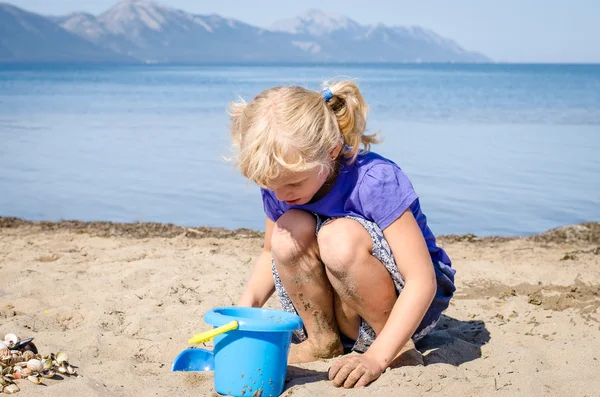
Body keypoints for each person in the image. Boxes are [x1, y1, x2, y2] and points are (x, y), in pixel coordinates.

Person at [231, 80, 456, 388]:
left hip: (407, 311)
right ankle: (323, 340)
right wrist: (244, 315)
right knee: (289, 229)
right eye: (271, 185)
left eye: (294, 184)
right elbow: (270, 252)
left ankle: (396, 347)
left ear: (332, 150)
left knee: (338, 237)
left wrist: (377, 358)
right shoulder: (279, 180)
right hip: (337, 306)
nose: (281, 195)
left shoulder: (374, 180)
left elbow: (422, 279)